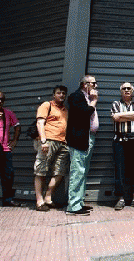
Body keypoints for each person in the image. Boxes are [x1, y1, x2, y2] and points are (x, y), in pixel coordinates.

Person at [65, 75, 99, 216]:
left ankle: (79, 203)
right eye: (94, 83)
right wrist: (95, 101)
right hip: (79, 139)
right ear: (85, 85)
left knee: (83, 172)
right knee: (77, 172)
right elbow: (84, 114)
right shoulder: (76, 96)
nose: (96, 86)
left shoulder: (86, 98)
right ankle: (73, 207)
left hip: (88, 138)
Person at [34, 85, 69, 212]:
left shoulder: (65, 110)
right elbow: (40, 123)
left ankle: (48, 197)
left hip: (62, 143)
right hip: (48, 141)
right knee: (41, 170)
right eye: (59, 93)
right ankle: (39, 201)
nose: (61, 95)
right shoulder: (46, 105)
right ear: (54, 95)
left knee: (60, 171)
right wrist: (43, 141)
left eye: (63, 93)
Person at [111, 82, 134, 210]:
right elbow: (116, 118)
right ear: (121, 91)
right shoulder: (115, 104)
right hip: (119, 141)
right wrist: (133, 116)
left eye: (129, 88)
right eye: (124, 88)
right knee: (120, 170)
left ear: (132, 91)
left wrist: (121, 115)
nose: (126, 90)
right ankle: (120, 199)